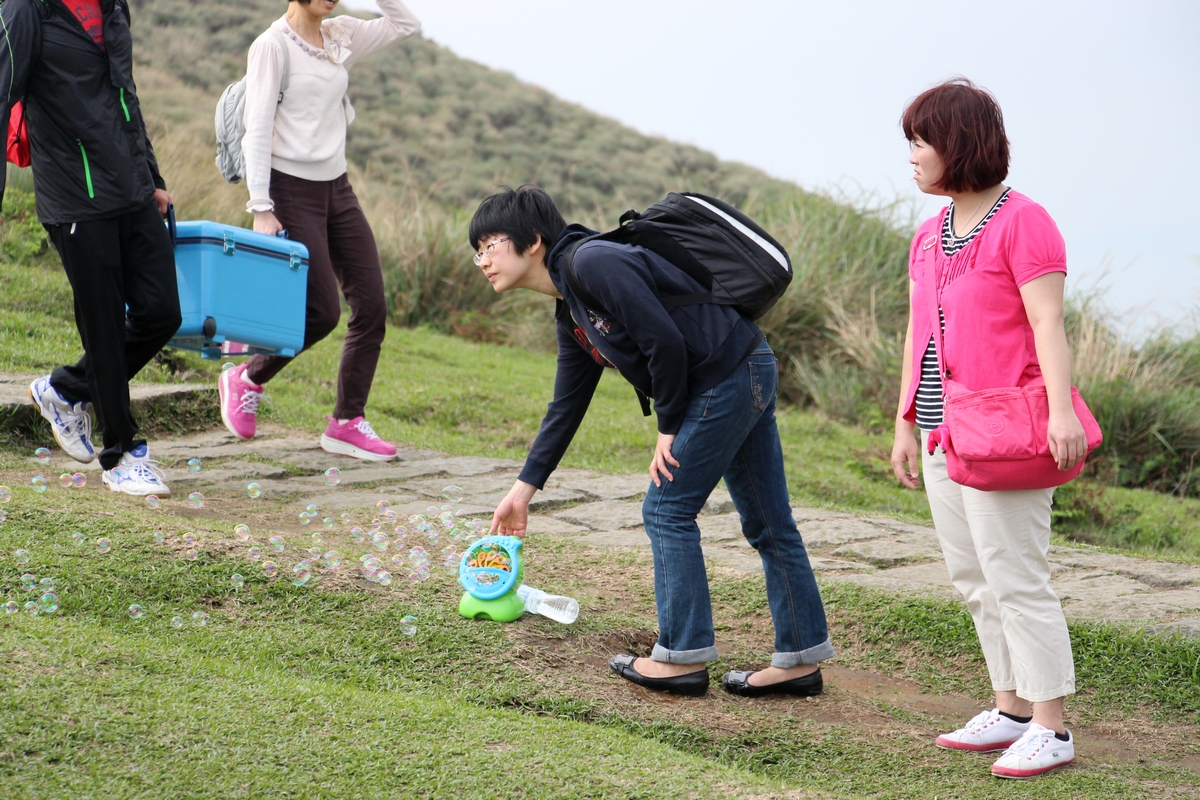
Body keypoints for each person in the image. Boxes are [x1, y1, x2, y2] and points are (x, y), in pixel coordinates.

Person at [472, 186, 835, 697]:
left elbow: (661, 339)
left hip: (728, 375)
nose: (482, 260)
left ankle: (680, 657)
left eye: (490, 245)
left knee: (667, 509)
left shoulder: (591, 262)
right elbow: (566, 406)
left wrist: (668, 426)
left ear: (531, 241)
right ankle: (800, 658)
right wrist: (522, 490)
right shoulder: (571, 309)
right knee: (769, 521)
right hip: (741, 367)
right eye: (478, 250)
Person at [890, 78, 1087, 780]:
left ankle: (1051, 726)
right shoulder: (928, 233)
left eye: (920, 141)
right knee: (974, 576)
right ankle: (1008, 710)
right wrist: (907, 418)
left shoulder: (1023, 221)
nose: (911, 155)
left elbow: (1047, 323)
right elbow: (920, 330)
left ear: (959, 144)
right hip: (948, 434)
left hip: (1008, 431)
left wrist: (1061, 411)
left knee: (1017, 576)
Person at [218, 0, 420, 460]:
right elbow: (257, 128)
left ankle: (346, 421)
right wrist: (261, 206)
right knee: (322, 312)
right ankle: (247, 376)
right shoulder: (272, 46)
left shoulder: (340, 35)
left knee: (372, 305)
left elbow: (406, 24)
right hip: (289, 190)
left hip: (337, 186)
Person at [2, 0, 181, 496]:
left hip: (132, 187)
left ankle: (65, 389)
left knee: (162, 311)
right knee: (102, 327)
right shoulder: (26, 10)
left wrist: (153, 176)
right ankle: (121, 455)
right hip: (75, 197)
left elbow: (126, 95)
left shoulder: (112, 4)